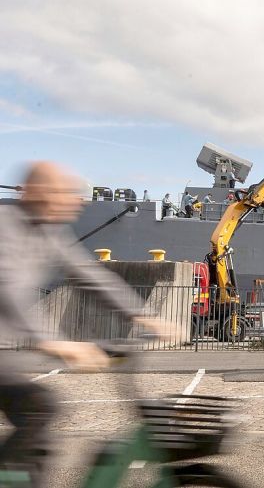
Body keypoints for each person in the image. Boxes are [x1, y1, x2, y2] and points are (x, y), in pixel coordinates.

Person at [0, 162, 170, 486]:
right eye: (63, 192)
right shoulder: (5, 226)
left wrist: (141, 314)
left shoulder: (49, 232)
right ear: (39, 192)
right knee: (39, 408)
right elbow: (4, 288)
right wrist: (53, 341)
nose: (74, 201)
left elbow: (90, 275)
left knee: (39, 438)